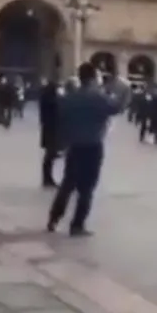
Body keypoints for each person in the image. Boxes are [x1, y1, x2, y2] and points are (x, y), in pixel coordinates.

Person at [47, 64, 128, 237]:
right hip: (92, 146)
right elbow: (116, 108)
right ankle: (77, 225)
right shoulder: (98, 97)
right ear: (92, 78)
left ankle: (54, 217)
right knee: (87, 188)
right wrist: (125, 91)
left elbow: (61, 117)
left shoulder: (70, 97)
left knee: (68, 183)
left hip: (74, 145)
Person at [39, 77, 61, 188]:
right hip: (51, 130)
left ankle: (47, 178)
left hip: (48, 129)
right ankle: (47, 179)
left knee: (50, 155)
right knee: (50, 155)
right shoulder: (51, 100)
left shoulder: (45, 98)